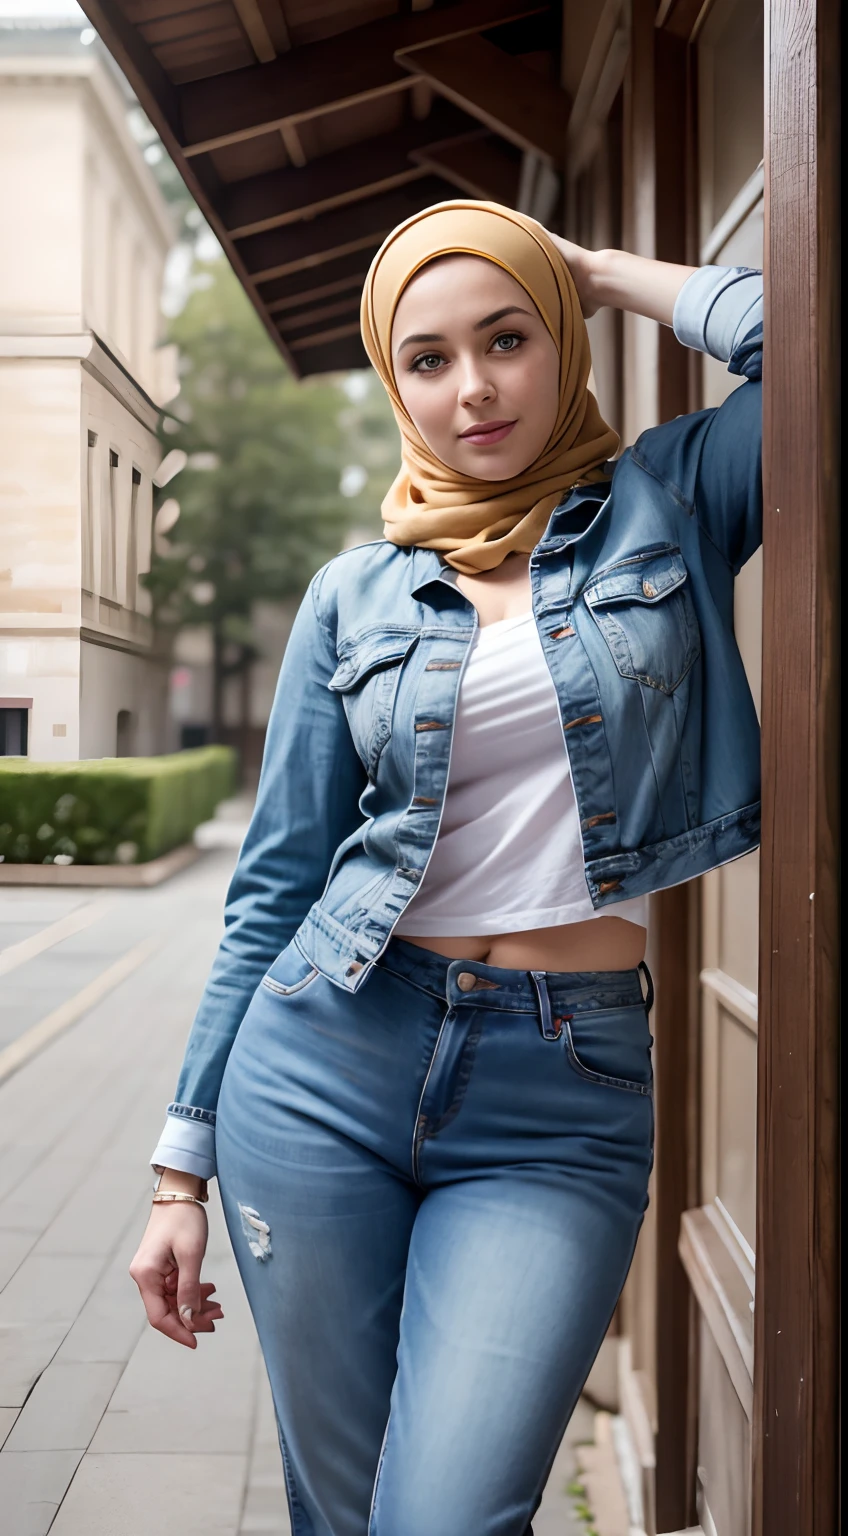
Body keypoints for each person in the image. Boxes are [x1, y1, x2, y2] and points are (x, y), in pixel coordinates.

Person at [129, 202, 763, 1536]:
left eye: (509, 336)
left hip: (561, 1091)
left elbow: (809, 357)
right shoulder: (354, 595)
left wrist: (599, 271)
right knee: (345, 1513)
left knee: (449, 1516)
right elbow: (275, 882)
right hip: (325, 1062)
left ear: (560, 340)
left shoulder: (675, 502)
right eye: (427, 358)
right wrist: (176, 1174)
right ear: (393, 382)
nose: (471, 387)